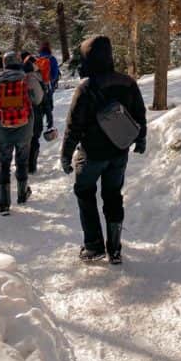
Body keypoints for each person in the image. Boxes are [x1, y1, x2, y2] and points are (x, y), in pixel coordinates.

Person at [60, 35, 146, 264]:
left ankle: (93, 246)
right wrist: (141, 139)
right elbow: (139, 114)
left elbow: (73, 126)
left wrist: (66, 155)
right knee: (113, 196)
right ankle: (115, 249)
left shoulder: (86, 87)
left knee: (85, 193)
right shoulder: (127, 82)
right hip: (119, 152)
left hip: (91, 154)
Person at [0, 51, 43, 215]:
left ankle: (4, 202)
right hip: (24, 130)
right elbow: (38, 99)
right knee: (22, 162)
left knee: (4, 164)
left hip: (3, 131)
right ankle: (22, 194)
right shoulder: (27, 79)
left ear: (5, 64)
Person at [23, 54, 44, 174]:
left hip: (21, 111)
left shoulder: (20, 77)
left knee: (24, 139)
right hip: (34, 110)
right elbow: (39, 98)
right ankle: (31, 165)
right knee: (35, 137)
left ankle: (23, 164)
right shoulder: (35, 78)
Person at [37, 42, 59, 133]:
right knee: (49, 106)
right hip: (47, 85)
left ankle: (38, 124)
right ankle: (49, 125)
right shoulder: (52, 59)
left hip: (38, 85)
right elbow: (55, 73)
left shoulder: (37, 59)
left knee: (40, 105)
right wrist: (52, 83)